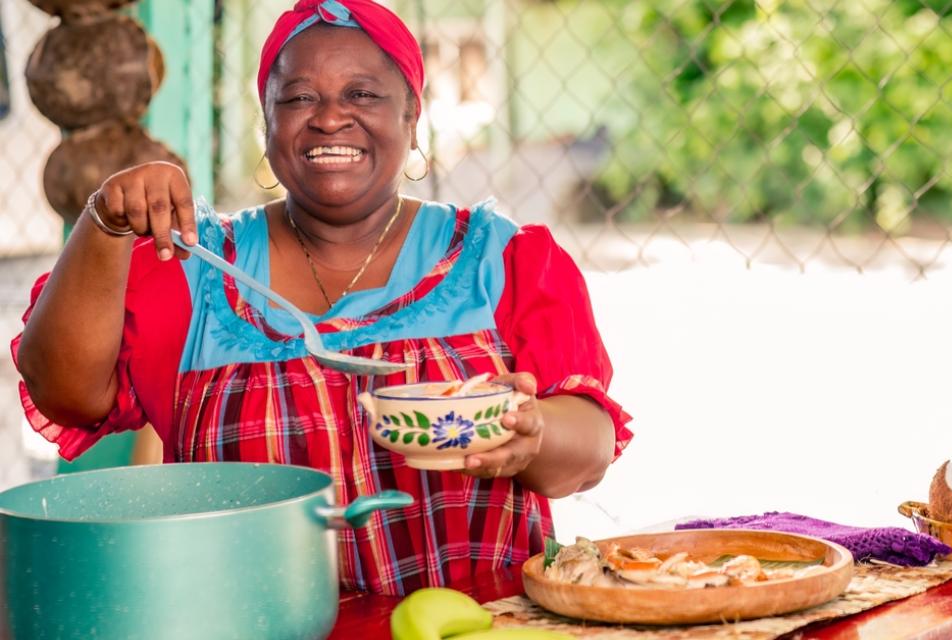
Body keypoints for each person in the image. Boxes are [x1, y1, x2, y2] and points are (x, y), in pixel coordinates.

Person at [12, 0, 632, 595]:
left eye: (362, 94)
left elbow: (588, 453)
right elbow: (65, 396)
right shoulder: (189, 268)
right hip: (252, 618)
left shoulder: (502, 261)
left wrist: (532, 435)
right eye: (298, 97)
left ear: (412, 118)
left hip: (476, 621)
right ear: (267, 123)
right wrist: (105, 222)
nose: (330, 117)